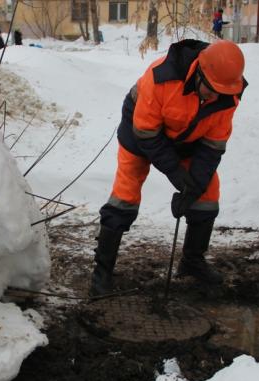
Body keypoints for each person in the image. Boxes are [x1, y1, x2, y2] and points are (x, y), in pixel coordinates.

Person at [89, 40, 247, 297]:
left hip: (188, 138)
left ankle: (192, 261)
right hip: (140, 131)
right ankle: (102, 272)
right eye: (211, 90)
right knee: (125, 195)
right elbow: (146, 133)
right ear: (199, 73)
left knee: (206, 194)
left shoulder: (229, 95)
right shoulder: (161, 77)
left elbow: (212, 146)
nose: (215, 97)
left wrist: (192, 187)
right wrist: (176, 174)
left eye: (221, 92)